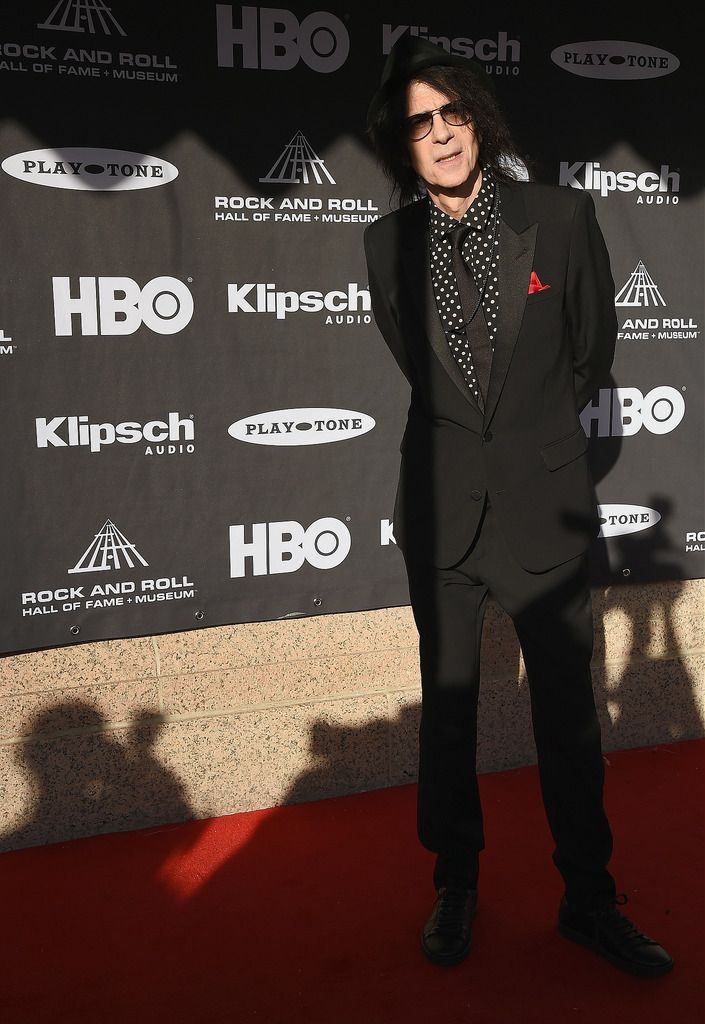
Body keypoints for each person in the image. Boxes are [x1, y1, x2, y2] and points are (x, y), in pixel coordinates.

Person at [363, 35, 673, 977]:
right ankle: (454, 881)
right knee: (448, 712)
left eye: (454, 114)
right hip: (443, 512)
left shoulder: (560, 215)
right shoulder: (386, 242)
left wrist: (534, 436)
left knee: (567, 718)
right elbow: (418, 369)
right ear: (400, 144)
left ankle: (589, 898)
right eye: (421, 123)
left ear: (478, 121)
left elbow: (591, 348)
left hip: (542, 508)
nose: (442, 135)